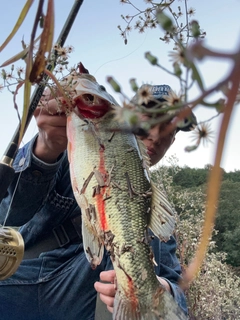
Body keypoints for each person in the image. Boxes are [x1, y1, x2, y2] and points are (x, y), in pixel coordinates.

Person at [0, 82, 196, 320]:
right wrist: (45, 150)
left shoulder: (156, 210)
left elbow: (175, 286)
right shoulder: (71, 150)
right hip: (18, 283)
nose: (156, 135)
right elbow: (9, 213)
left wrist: (161, 288)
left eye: (170, 128)